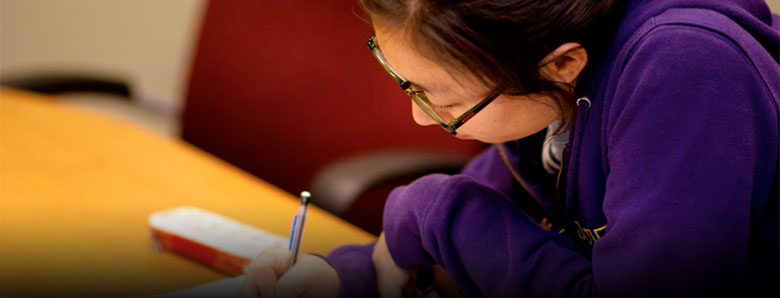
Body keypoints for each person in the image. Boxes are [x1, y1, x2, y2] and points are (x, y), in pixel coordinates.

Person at [240, 0, 780, 297]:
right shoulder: (545, 67)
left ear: (561, 64)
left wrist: (433, 210)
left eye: (441, 100)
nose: (417, 117)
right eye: (406, 83)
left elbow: (462, 221)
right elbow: (509, 209)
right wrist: (346, 277)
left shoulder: (688, 71)